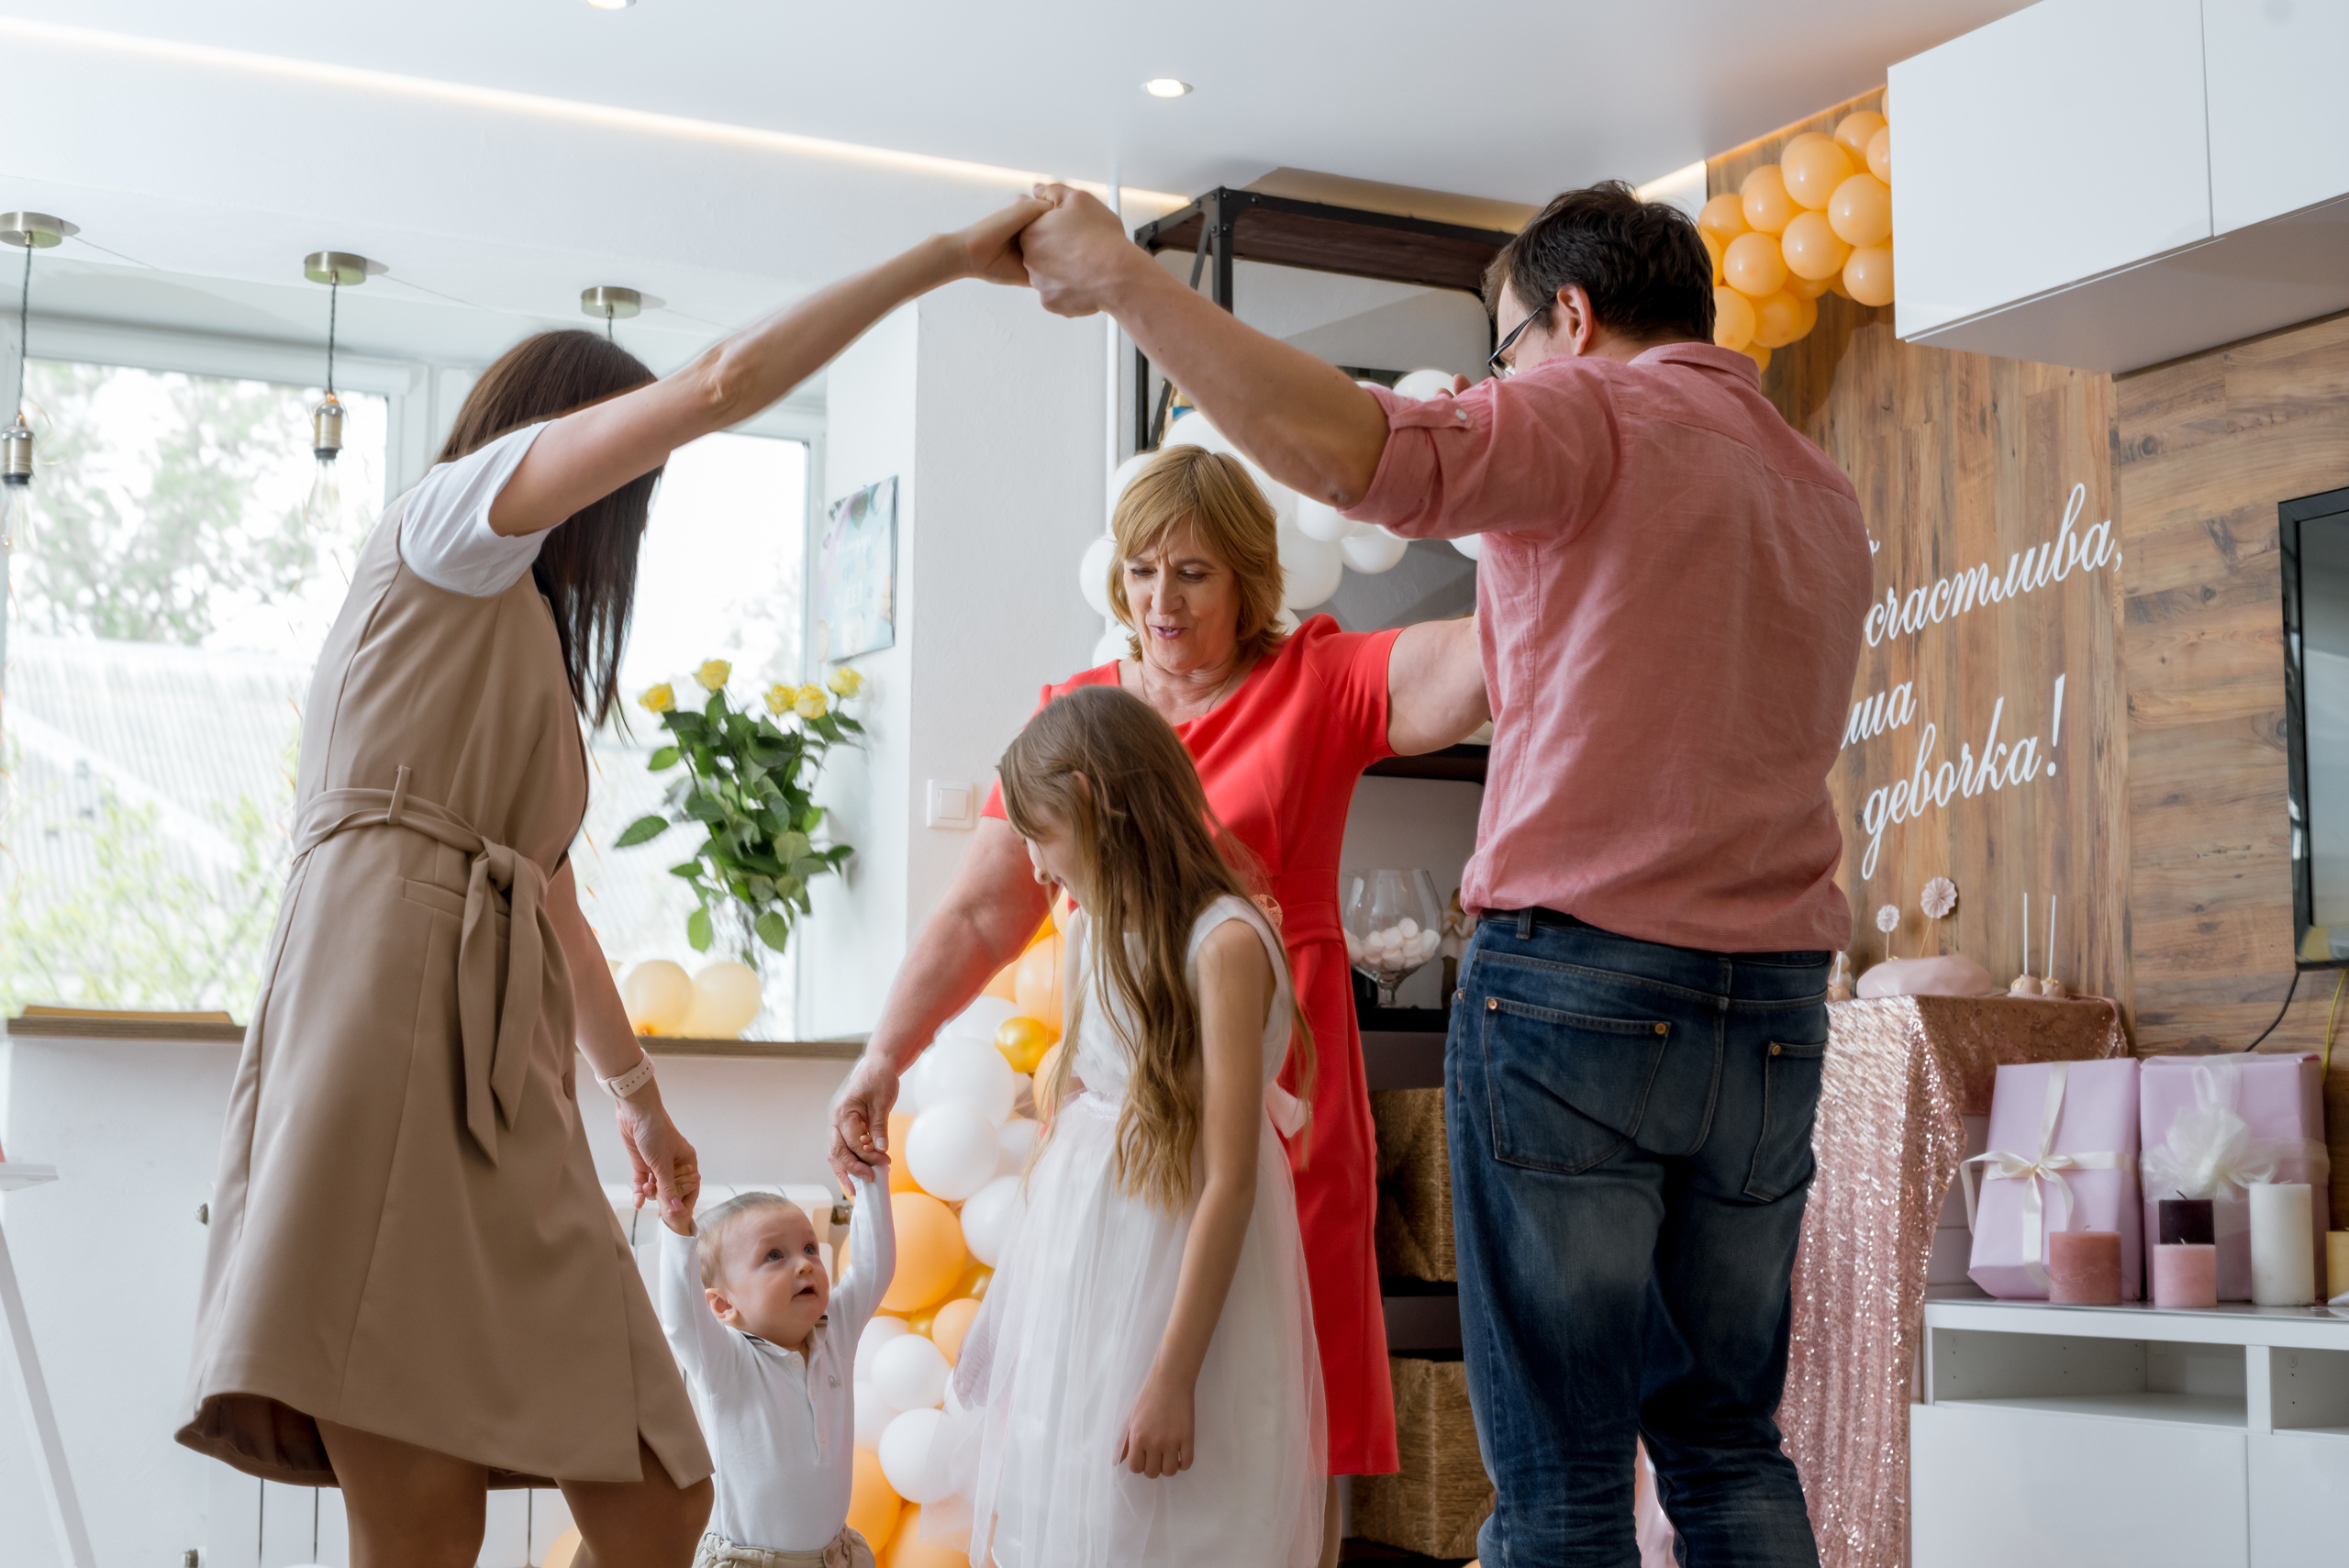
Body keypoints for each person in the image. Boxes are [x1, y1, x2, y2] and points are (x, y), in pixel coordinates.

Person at [176, 195, 1046, 1568]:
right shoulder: (451, 525)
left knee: (657, 1487)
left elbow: (555, 899)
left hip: (496, 1058)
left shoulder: (513, 631)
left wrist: (639, 1102)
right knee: (423, 1514)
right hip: (387, 1004)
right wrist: (942, 258)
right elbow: (719, 384)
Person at [1012, 181, 1871, 1567]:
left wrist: (1130, 286)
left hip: (1583, 989)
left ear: (1571, 319)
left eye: (1507, 348)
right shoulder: (1816, 485)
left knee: (1560, 1476)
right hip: (1772, 1006)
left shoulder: (1590, 406)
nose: (1501, 381)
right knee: (1725, 1441)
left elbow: (1361, 455)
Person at [828, 442, 1487, 1556]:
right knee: (1102, 1405)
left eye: (1191, 571)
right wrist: (880, 1058)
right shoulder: (1078, 720)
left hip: (1273, 1082)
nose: (1159, 599)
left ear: (1246, 577)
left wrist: (1549, 510)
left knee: (1283, 1393)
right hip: (1120, 1096)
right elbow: (981, 914)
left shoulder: (1313, 679)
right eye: (1139, 571)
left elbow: (1478, 659)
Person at [936, 684, 1324, 1567]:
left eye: (1041, 834)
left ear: (1098, 806)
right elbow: (1061, 1130)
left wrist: (1173, 1377)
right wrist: (1008, 1324)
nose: (1034, 867)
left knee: (1184, 1519)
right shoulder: (1087, 932)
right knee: (1075, 1513)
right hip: (1086, 1274)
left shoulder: (1222, 945)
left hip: (1184, 1289)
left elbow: (1229, 1179)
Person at [657, 1181, 896, 1568]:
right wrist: (675, 1227)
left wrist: (869, 1178)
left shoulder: (835, 1333)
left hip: (834, 1558)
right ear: (722, 1304)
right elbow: (681, 1321)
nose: (804, 1264)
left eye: (809, 1249)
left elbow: (873, 1269)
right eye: (774, 1255)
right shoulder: (727, 1362)